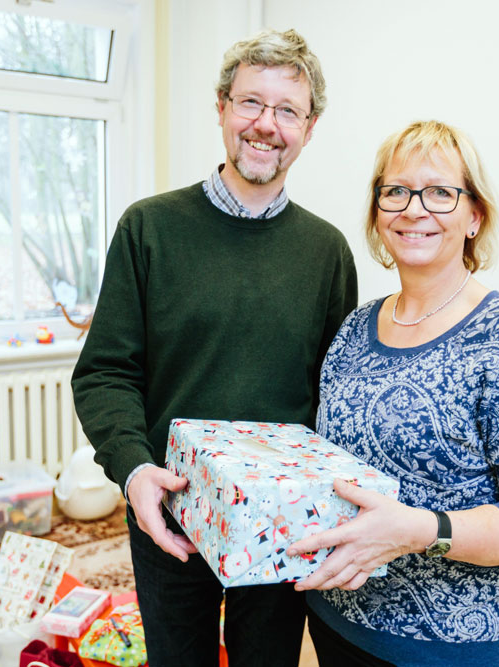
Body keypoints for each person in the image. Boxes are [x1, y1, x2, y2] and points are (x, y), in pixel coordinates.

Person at [71, 29, 358, 667]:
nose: (267, 124)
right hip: (169, 514)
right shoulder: (149, 229)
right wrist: (134, 469)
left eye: (288, 110)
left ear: (309, 129)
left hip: (283, 527)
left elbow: (335, 396)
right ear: (223, 108)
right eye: (251, 103)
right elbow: (105, 373)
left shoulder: (327, 252)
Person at [286, 120, 499, 667]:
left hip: (456, 648)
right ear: (377, 215)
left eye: (440, 192)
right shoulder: (353, 330)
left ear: (475, 216)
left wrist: (421, 530)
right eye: (395, 191)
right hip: (339, 623)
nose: (413, 209)